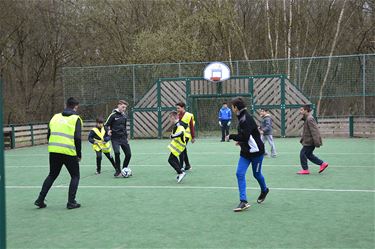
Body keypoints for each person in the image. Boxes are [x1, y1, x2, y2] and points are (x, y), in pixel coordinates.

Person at [34, 97, 82, 209]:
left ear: (66, 105)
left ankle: (40, 200)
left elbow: (48, 134)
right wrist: (78, 154)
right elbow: (77, 138)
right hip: (69, 151)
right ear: (75, 106)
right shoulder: (76, 119)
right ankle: (71, 202)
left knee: (52, 175)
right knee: (75, 176)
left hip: (54, 151)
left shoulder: (55, 117)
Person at [226, 97, 269, 212]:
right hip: (245, 152)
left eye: (232, 107)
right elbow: (247, 136)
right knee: (239, 174)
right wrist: (240, 142)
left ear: (236, 107)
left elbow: (245, 136)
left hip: (257, 153)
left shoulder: (245, 119)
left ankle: (264, 190)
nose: (232, 109)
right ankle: (243, 201)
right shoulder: (241, 117)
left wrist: (231, 136)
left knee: (257, 174)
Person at [297, 105, 329, 174]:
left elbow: (315, 131)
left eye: (302, 110)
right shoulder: (307, 118)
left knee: (302, 154)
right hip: (308, 141)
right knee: (309, 155)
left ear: (306, 110)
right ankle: (322, 164)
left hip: (310, 142)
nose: (300, 111)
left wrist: (317, 141)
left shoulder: (309, 119)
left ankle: (305, 170)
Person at [105, 100, 132, 177]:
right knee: (117, 153)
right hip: (115, 139)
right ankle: (118, 171)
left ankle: (124, 169)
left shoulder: (124, 116)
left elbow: (124, 127)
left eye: (125, 108)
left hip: (123, 138)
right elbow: (106, 125)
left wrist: (126, 137)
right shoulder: (113, 115)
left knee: (128, 154)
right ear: (119, 105)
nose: (124, 109)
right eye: (123, 107)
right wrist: (108, 130)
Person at [167, 111, 187, 183]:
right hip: (178, 145)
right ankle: (180, 170)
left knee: (170, 160)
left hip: (179, 146)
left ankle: (180, 173)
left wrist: (173, 136)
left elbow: (181, 133)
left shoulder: (178, 125)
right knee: (174, 158)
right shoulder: (177, 124)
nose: (170, 120)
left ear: (173, 117)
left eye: (170, 118)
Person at [176, 102, 195, 171]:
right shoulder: (177, 115)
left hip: (186, 136)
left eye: (178, 108)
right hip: (179, 135)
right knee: (183, 150)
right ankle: (187, 165)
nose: (177, 109)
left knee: (181, 150)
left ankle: (181, 167)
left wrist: (193, 137)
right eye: (177, 108)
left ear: (183, 107)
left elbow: (192, 127)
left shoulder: (189, 115)